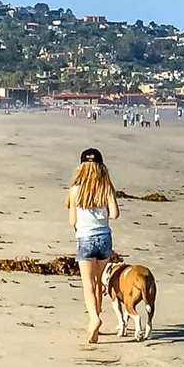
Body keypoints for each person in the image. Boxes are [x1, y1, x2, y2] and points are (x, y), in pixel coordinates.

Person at [65, 147, 121, 343]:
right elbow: (114, 214)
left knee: (88, 284)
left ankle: (94, 318)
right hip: (104, 237)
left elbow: (72, 220)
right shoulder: (106, 187)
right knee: (98, 281)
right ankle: (97, 315)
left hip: (85, 238)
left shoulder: (74, 190)